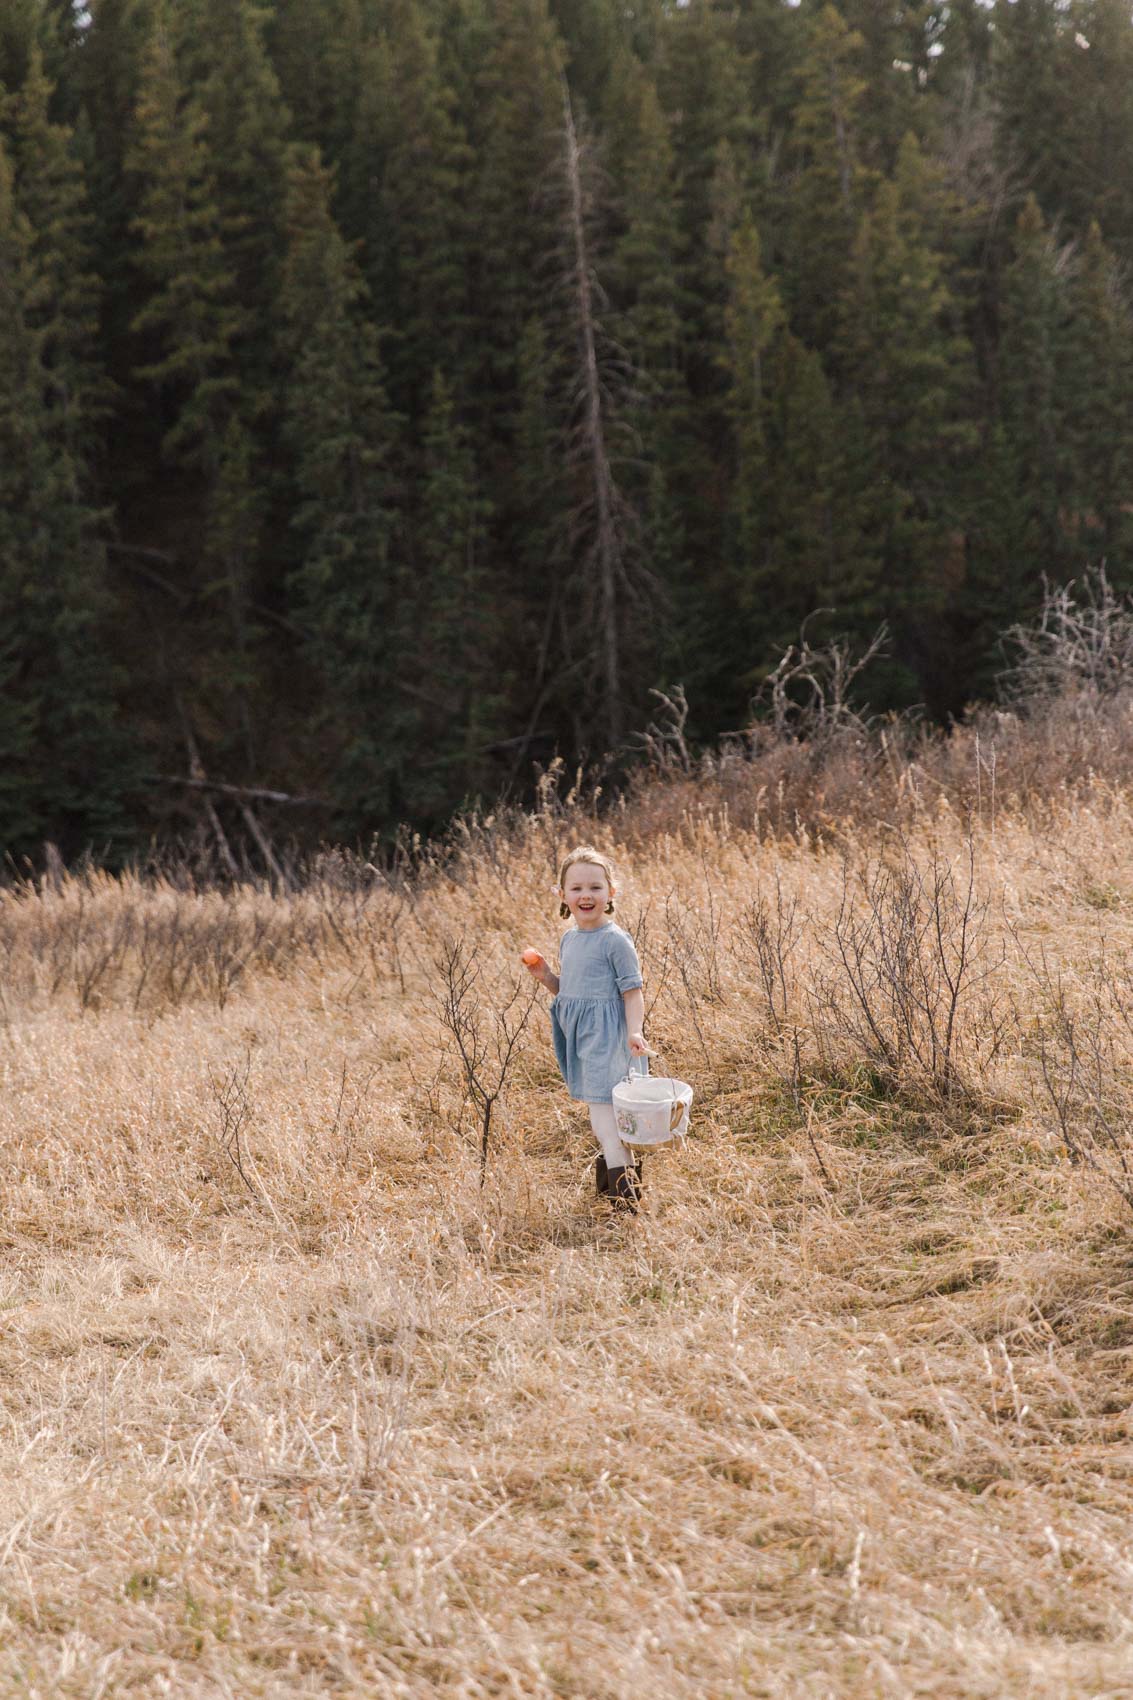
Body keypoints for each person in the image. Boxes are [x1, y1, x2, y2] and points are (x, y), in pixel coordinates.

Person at [522, 846, 650, 1215]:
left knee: (607, 1125)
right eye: (576, 888)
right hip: (584, 1042)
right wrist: (546, 976)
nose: (586, 895)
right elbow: (573, 994)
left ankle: (625, 1208)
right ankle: (612, 1196)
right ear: (562, 895)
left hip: (610, 1043)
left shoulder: (615, 940)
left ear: (611, 893)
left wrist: (635, 1032)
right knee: (606, 1126)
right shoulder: (571, 939)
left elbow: (632, 992)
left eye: (595, 887)